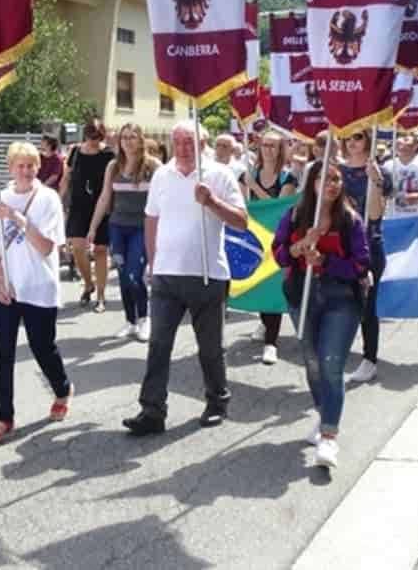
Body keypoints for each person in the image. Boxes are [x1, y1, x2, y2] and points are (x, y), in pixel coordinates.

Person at [122, 121, 247, 436]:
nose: (182, 147)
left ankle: (217, 401)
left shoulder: (219, 174)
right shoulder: (162, 175)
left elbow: (242, 222)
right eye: (177, 141)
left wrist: (211, 202)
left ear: (203, 142)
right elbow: (152, 219)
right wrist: (153, 262)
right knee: (159, 344)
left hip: (208, 275)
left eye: (189, 141)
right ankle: (152, 410)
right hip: (167, 274)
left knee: (210, 348)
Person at [272, 158, 370, 469]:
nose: (332, 184)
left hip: (341, 300)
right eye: (325, 179)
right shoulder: (295, 215)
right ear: (311, 183)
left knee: (331, 363)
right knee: (312, 362)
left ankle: (329, 436)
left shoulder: (351, 220)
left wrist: (326, 261)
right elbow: (278, 254)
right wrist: (299, 248)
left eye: (336, 179)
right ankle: (325, 410)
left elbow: (361, 265)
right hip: (302, 297)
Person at [0, 142, 72, 445]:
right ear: (10, 168)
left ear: (38, 167)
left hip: (39, 285)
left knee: (42, 347)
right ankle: (4, 417)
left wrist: (18, 219)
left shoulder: (47, 199)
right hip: (8, 288)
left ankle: (62, 389)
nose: (25, 171)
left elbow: (47, 246)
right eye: (19, 165)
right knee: (3, 353)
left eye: (31, 165)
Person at [88, 123, 160, 342]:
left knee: (134, 274)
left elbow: (164, 199)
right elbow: (104, 198)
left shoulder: (153, 165)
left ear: (141, 140)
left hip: (142, 228)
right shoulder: (113, 166)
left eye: (133, 137)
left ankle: (144, 318)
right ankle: (130, 320)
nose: (128, 141)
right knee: (122, 275)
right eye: (124, 137)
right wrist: (93, 227)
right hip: (117, 226)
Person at [340, 129, 392, 385]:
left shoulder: (382, 172)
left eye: (358, 137)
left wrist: (376, 182)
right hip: (339, 246)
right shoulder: (336, 171)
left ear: (369, 141)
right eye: (349, 137)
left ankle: (369, 359)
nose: (352, 142)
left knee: (367, 306)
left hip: (369, 246)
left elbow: (374, 215)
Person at [246, 131, 298, 364]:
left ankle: (271, 342)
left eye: (273, 146)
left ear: (280, 150)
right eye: (264, 145)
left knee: (272, 289)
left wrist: (253, 187)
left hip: (277, 240)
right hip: (255, 240)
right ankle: (265, 323)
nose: (267, 149)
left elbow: (278, 208)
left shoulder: (288, 178)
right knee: (258, 285)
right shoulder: (249, 175)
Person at [61, 118, 114, 311]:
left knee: (100, 250)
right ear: (86, 134)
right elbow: (66, 177)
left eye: (98, 137)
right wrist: (59, 200)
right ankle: (88, 283)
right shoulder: (74, 152)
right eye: (91, 137)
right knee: (77, 247)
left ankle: (100, 296)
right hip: (78, 206)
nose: (94, 141)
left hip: (101, 207)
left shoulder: (108, 154)